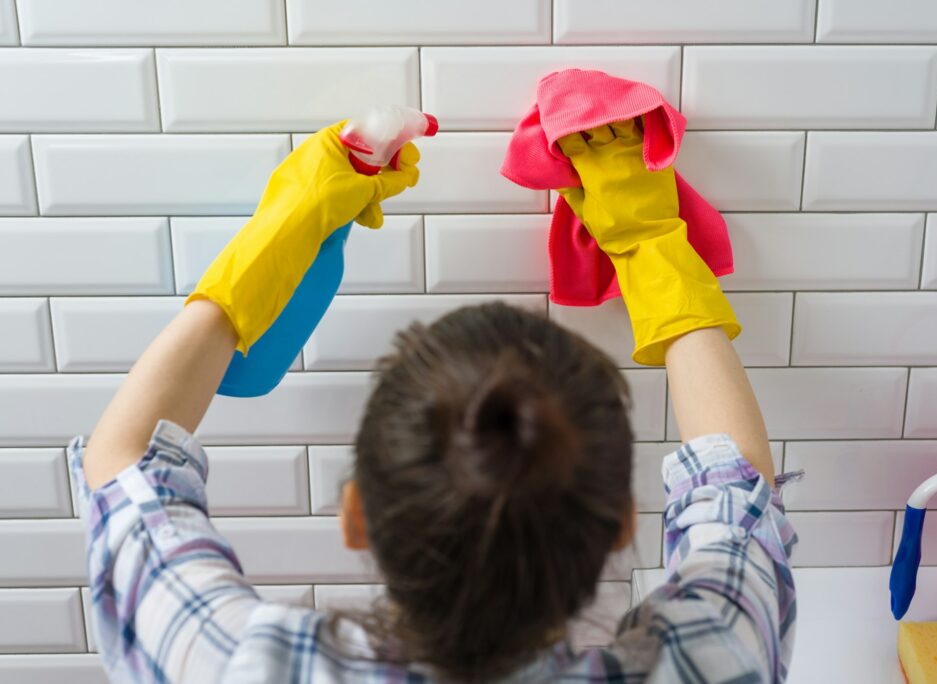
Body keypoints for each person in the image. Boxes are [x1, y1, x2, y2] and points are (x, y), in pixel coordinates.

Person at [73, 118, 798, 683]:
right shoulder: (708, 658)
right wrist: (649, 242)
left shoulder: (241, 662)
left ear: (356, 515)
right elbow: (736, 498)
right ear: (622, 526)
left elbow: (123, 461)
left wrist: (280, 235)